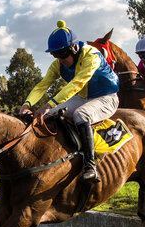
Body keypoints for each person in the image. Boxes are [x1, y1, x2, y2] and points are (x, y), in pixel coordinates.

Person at [19, 20, 119, 183]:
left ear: (74, 48)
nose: (60, 60)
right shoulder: (58, 64)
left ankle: (90, 165)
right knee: (48, 116)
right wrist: (27, 104)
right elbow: (42, 86)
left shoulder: (92, 56)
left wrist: (48, 104)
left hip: (106, 97)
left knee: (81, 115)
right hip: (83, 97)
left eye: (62, 54)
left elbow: (77, 84)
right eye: (55, 55)